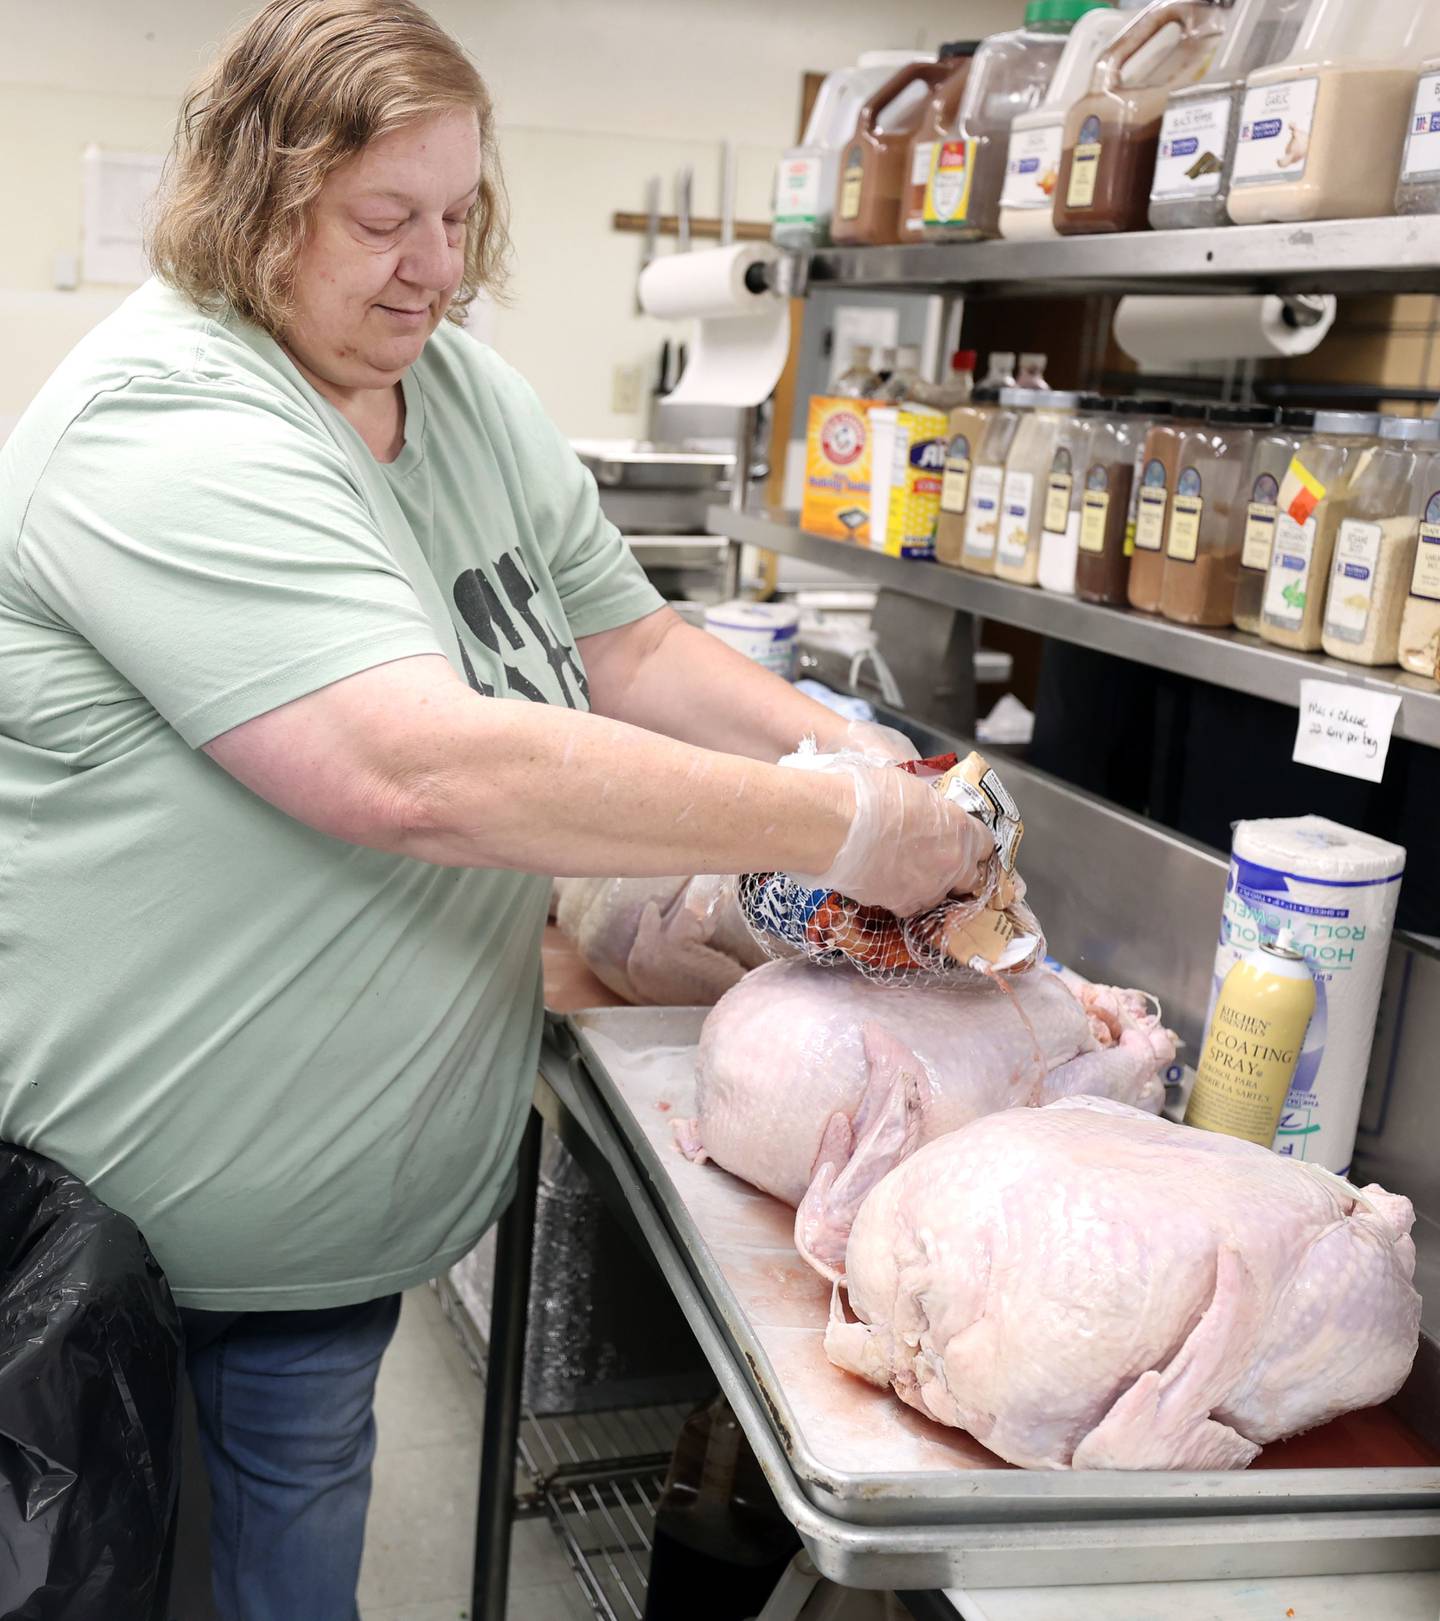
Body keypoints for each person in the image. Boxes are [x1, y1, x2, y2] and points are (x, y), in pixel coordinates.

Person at [0, 3, 990, 1616]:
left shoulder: (457, 392)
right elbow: (417, 769)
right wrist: (835, 831)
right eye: (384, 219)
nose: (436, 268)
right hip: (127, 1250)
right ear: (252, 204)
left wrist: (863, 761)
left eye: (459, 214)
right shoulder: (168, 422)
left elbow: (631, 645)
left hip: (332, 1230)